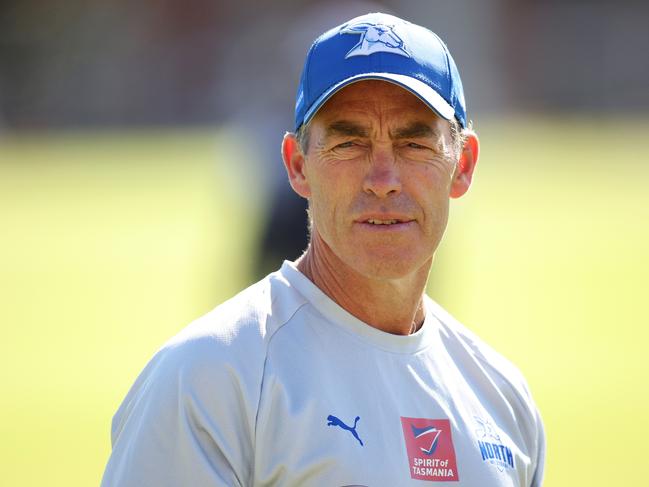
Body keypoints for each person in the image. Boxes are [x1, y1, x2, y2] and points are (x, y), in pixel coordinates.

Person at [101, 12, 545, 486]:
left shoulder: (501, 400)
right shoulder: (210, 378)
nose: (383, 181)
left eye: (413, 144)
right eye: (349, 144)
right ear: (297, 166)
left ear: (463, 165)